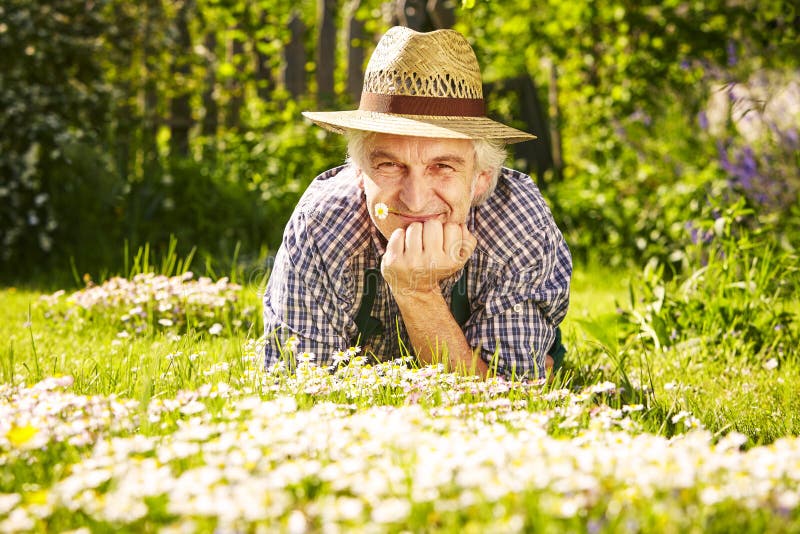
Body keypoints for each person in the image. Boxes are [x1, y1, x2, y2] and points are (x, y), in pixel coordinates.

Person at [263, 26, 571, 379]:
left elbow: (512, 393)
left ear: (481, 178)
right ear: (359, 172)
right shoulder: (322, 223)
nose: (415, 199)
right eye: (390, 165)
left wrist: (417, 291)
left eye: (442, 167)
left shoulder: (517, 219)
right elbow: (297, 382)